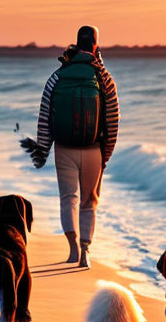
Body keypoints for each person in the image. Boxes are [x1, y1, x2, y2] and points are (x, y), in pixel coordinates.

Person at [31, 25, 119, 269]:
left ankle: (71, 248)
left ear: (76, 45)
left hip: (64, 147)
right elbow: (112, 119)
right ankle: (85, 251)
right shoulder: (103, 76)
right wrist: (106, 154)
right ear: (95, 46)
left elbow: (45, 115)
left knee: (68, 197)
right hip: (94, 149)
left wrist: (43, 149)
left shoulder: (57, 76)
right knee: (89, 201)